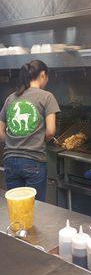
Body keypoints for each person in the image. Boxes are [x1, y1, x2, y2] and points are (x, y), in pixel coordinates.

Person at [0, 60, 60, 201]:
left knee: (17, 205)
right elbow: (51, 131)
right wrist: (39, 140)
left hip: (10, 160)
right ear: (43, 75)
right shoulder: (47, 96)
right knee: (36, 208)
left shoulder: (11, 98)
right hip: (34, 160)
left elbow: (0, 131)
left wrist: (11, 141)